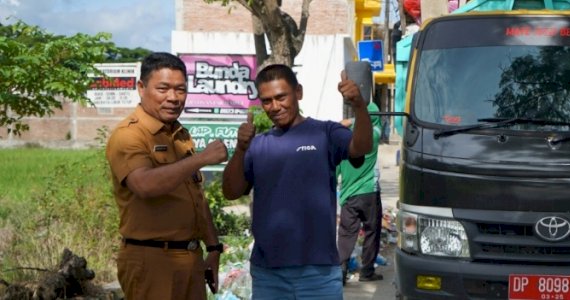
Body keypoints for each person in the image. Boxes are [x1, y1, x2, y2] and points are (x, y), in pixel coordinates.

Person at [221, 64, 373, 299]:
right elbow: (231, 192)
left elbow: (361, 146)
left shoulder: (325, 133)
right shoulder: (258, 145)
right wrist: (241, 149)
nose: (275, 106)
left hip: (319, 273)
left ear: (298, 93)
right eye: (267, 101)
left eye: (281, 97)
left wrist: (358, 106)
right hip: (268, 273)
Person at [105, 52, 228, 299]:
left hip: (191, 260)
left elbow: (197, 198)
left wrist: (213, 248)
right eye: (163, 89)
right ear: (141, 88)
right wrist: (201, 158)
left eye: (180, 90)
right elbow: (144, 185)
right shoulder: (129, 135)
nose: (173, 98)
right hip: (152, 262)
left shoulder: (179, 134)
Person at [336, 101, 383, 285]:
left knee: (346, 234)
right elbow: (371, 122)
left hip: (348, 195)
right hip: (369, 192)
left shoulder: (345, 138)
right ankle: (367, 271)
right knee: (372, 231)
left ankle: (341, 271)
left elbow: (337, 168)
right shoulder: (374, 135)